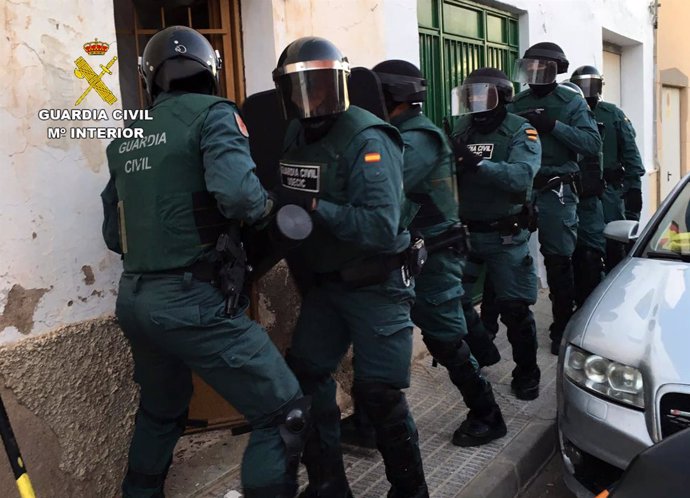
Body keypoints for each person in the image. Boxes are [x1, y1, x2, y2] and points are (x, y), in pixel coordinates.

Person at [101, 26, 309, 498]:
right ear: (210, 72)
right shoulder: (216, 114)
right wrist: (268, 210)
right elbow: (239, 196)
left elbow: (115, 235)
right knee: (284, 412)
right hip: (191, 301)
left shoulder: (127, 137)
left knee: (161, 409)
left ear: (150, 78)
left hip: (135, 301)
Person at [273, 38, 428, 497]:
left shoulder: (369, 137)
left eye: (320, 86)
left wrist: (318, 206)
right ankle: (328, 484)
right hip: (327, 283)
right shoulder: (295, 134)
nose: (312, 99)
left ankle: (410, 491)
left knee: (379, 394)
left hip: (376, 284)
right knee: (304, 374)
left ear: (338, 84)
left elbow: (381, 227)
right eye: (301, 88)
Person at [371, 59, 507, 444]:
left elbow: (383, 188)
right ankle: (368, 416)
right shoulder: (393, 132)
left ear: (394, 96)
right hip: (411, 251)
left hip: (435, 253)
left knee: (444, 337)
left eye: (375, 94)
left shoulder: (417, 138)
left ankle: (488, 413)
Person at [450, 68, 542, 400]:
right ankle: (481, 351)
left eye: (482, 96)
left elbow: (521, 177)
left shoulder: (521, 131)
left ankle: (527, 371)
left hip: (505, 235)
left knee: (514, 310)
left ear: (502, 98)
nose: (476, 104)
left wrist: (474, 164)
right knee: (452, 300)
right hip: (466, 234)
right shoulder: (461, 129)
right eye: (470, 97)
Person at [508, 42, 602, 355]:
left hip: (556, 190)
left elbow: (591, 143)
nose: (534, 74)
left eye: (542, 68)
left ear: (556, 70)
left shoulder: (570, 102)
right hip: (521, 188)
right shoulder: (517, 102)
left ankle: (561, 327)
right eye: (529, 67)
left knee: (559, 260)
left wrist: (553, 125)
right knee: (506, 253)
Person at [570, 65, 645, 271]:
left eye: (590, 86)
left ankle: (615, 290)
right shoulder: (569, 115)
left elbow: (631, 154)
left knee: (615, 244)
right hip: (580, 193)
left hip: (610, 191)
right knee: (583, 250)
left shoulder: (612, 114)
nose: (586, 92)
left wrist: (634, 189)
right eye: (581, 86)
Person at [561, 79, 607, 306]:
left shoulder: (590, 130)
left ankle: (590, 309)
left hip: (587, 205)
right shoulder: (550, 128)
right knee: (561, 263)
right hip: (559, 201)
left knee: (589, 259)